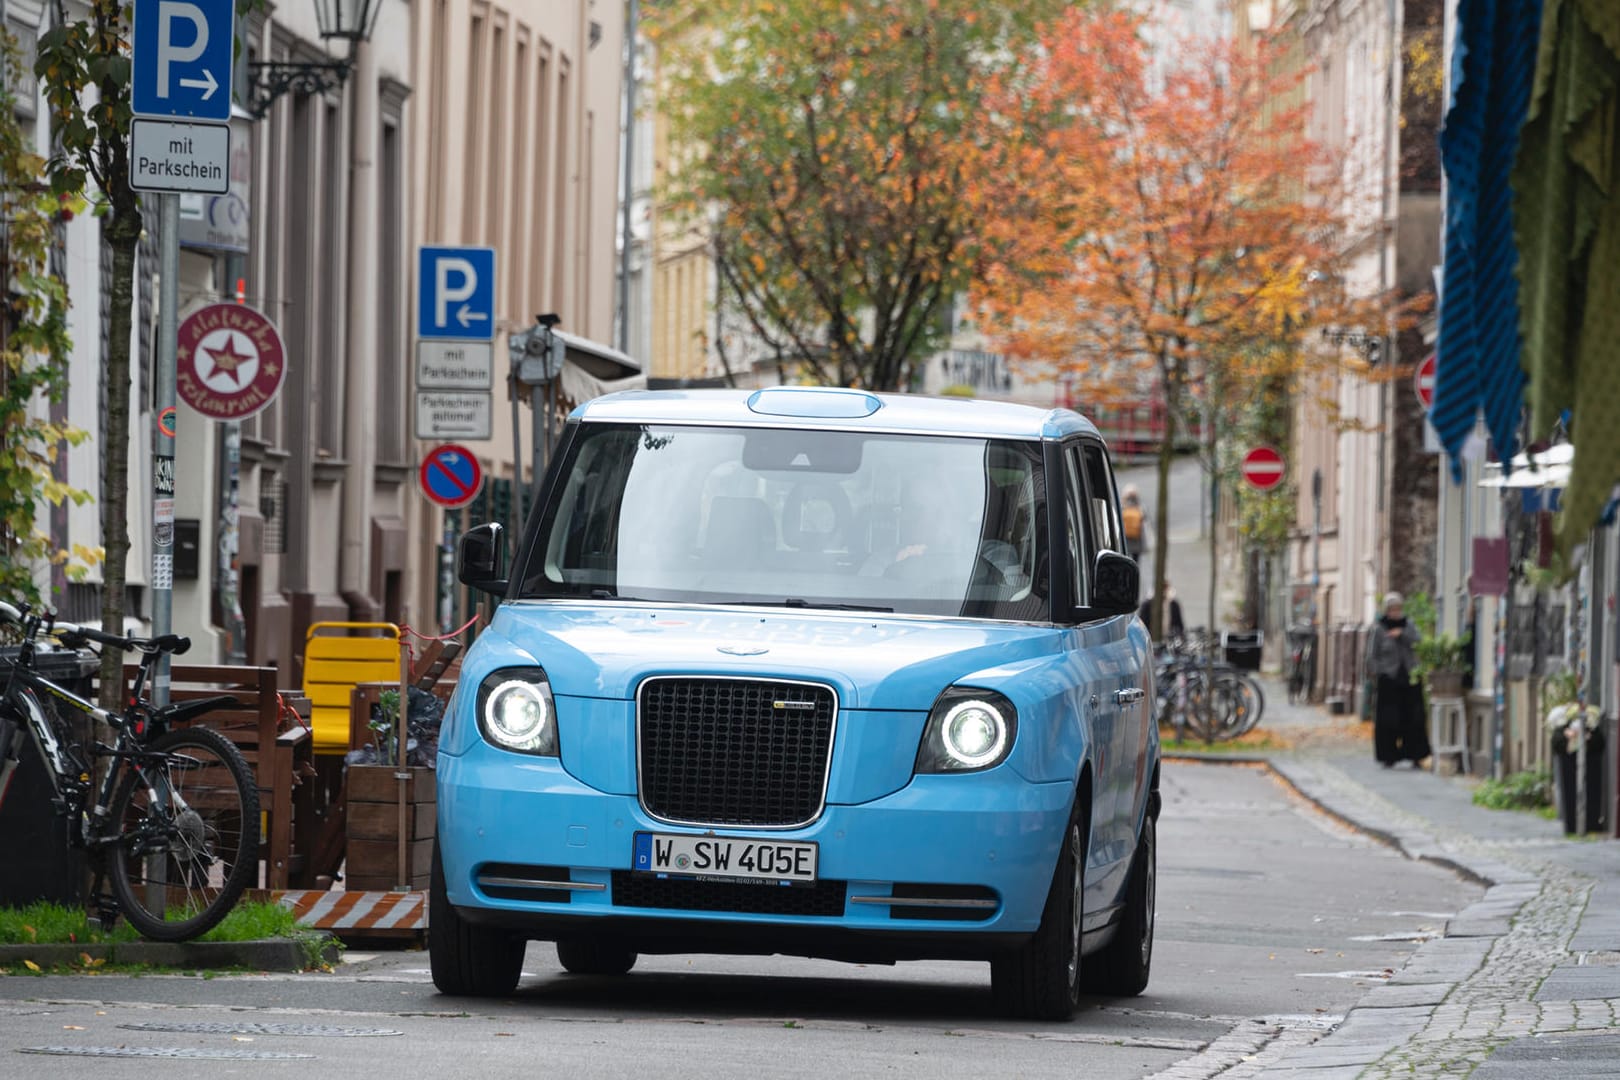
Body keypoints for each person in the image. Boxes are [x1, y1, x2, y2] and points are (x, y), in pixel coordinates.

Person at [1365, 592, 1432, 767]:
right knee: (1388, 721)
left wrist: (1402, 634)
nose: (1395, 612)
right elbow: (1372, 656)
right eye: (1392, 609)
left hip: (1410, 678)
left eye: (1398, 609)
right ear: (1387, 611)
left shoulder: (1409, 625)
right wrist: (1381, 672)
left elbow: (1419, 642)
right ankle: (1389, 756)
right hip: (1389, 680)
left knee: (1414, 719)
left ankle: (1415, 755)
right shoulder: (1379, 628)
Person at [1121, 485, 1149, 561]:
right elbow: (1144, 516)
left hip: (1127, 538)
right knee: (1136, 560)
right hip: (1137, 538)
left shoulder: (1123, 505)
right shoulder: (1139, 505)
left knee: (1126, 558)